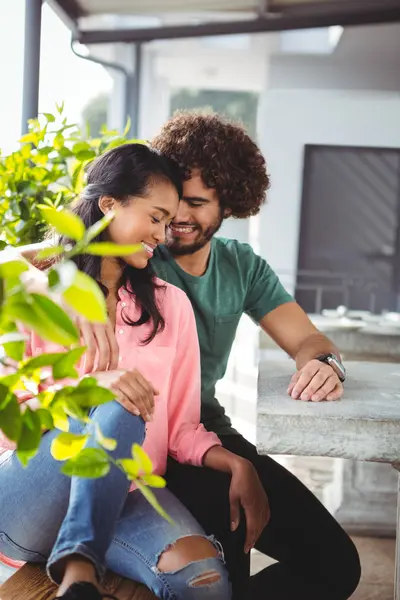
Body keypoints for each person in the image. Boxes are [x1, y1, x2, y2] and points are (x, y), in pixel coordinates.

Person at [11, 113, 361, 600]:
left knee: (326, 566)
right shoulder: (88, 266)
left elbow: (307, 341)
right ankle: (79, 562)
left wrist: (324, 366)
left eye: (191, 204)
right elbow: (20, 260)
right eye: (161, 210)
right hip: (80, 463)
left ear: (229, 204)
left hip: (181, 440)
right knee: (125, 411)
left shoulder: (214, 275)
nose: (172, 222)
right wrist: (66, 284)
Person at [0, 143, 264, 600]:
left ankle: (81, 558)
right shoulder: (39, 292)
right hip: (29, 494)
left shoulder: (169, 306)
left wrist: (235, 461)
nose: (163, 233)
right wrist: (87, 390)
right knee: (117, 398)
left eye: (168, 221)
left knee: (203, 580)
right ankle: (80, 565)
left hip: (126, 493)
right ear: (109, 204)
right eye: (155, 216)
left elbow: (179, 425)